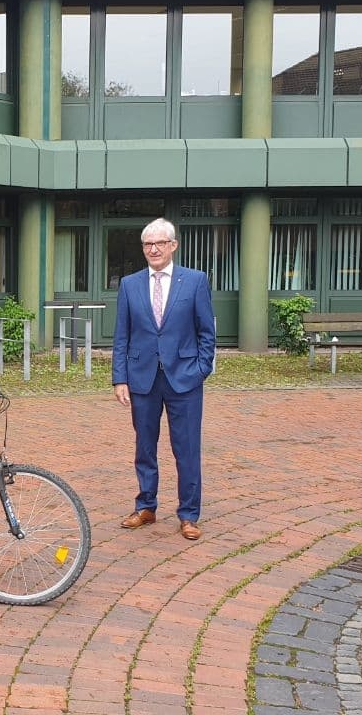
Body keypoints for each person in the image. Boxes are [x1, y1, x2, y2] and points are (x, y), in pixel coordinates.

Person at [112, 217, 216, 541]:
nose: (153, 249)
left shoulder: (195, 281)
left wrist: (200, 369)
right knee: (145, 447)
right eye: (147, 244)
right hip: (142, 379)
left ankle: (189, 514)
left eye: (159, 243)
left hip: (184, 380)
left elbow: (207, 333)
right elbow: (121, 336)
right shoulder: (130, 284)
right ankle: (146, 506)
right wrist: (120, 379)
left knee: (186, 449)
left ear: (173, 245)